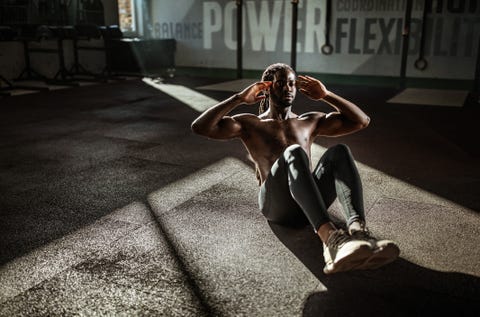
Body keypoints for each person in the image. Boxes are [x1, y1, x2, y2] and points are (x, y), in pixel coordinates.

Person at [191, 63, 399, 274]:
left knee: (340, 152)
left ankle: (359, 233)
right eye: (281, 83)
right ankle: (331, 241)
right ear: (267, 88)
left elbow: (361, 121)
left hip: (308, 205)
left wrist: (326, 95)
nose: (288, 88)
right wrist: (239, 99)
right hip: (276, 206)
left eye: (292, 84)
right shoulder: (250, 123)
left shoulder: (307, 121)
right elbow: (200, 127)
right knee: (294, 152)